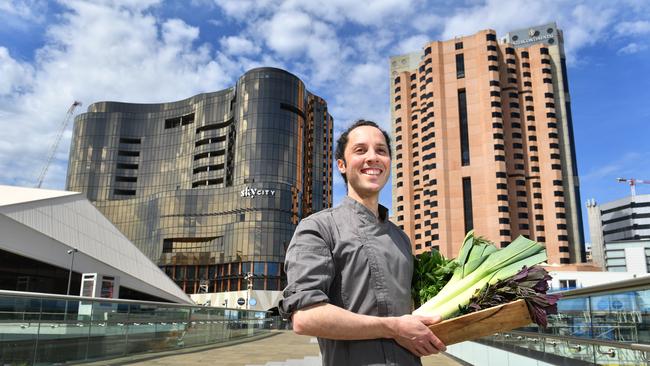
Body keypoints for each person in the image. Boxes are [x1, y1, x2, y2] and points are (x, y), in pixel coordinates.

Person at [279, 120, 446, 365]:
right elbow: (306, 317)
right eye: (360, 150)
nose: (372, 157)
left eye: (381, 151)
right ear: (342, 165)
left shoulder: (401, 239)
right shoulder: (318, 227)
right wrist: (392, 327)